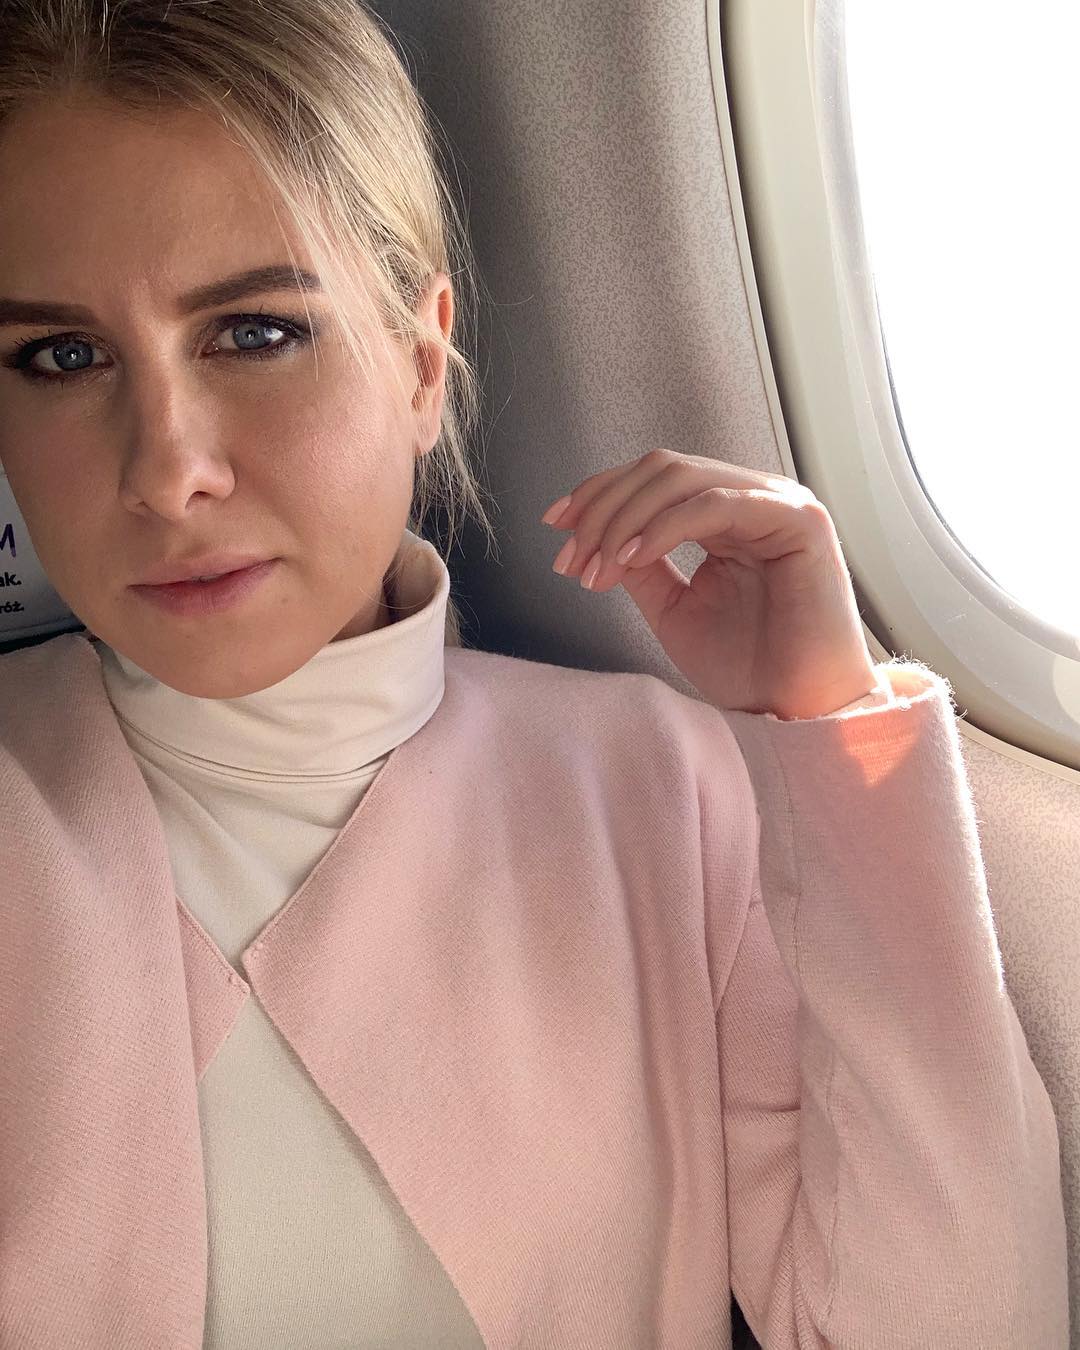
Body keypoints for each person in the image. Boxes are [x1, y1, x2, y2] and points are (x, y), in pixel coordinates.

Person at [0, 3, 1068, 1348]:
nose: (167, 472)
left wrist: (827, 724)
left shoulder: (659, 791)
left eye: (255, 332)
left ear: (419, 361)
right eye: (61, 357)